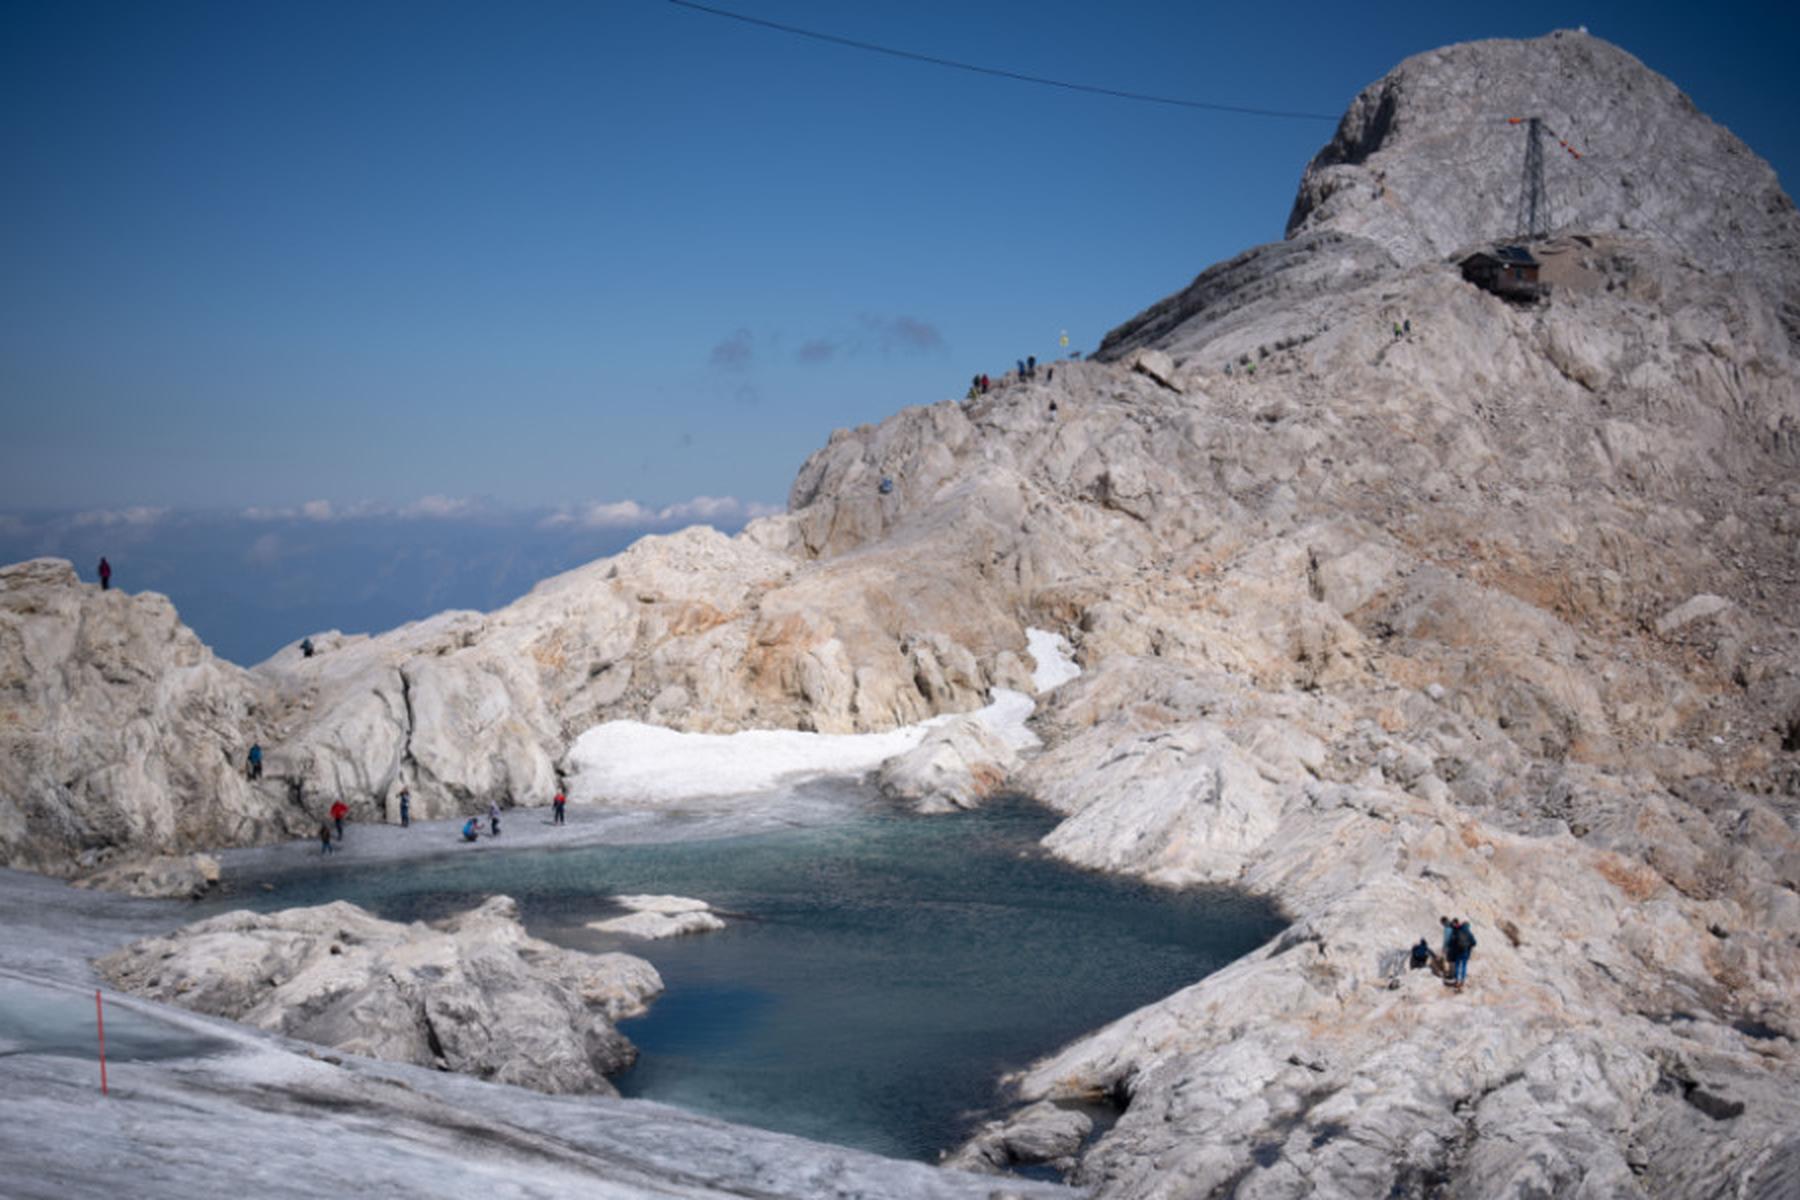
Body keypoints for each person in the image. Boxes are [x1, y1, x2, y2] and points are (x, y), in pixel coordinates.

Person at [1447, 919, 1477, 990]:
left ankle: (1457, 980)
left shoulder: (1458, 931)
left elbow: (1451, 943)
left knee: (1457, 966)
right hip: (1465, 952)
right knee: (1464, 966)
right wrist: (1468, 945)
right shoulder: (1469, 933)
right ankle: (1462, 980)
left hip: (1458, 952)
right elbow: (1474, 943)